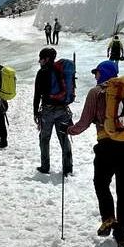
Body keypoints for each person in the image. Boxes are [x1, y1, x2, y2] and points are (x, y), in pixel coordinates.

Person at [68, 60, 124, 247]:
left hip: (106, 146)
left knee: (101, 183)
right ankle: (121, 236)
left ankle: (108, 218)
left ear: (103, 73)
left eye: (97, 72)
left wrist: (69, 130)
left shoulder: (96, 92)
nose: (95, 76)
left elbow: (84, 122)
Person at [32, 47, 73, 176]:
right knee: (64, 138)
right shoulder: (61, 70)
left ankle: (45, 166)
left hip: (47, 110)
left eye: (41, 59)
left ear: (46, 59)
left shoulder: (42, 72)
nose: (40, 61)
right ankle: (68, 167)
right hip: (62, 109)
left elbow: (37, 94)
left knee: (44, 138)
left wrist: (35, 112)